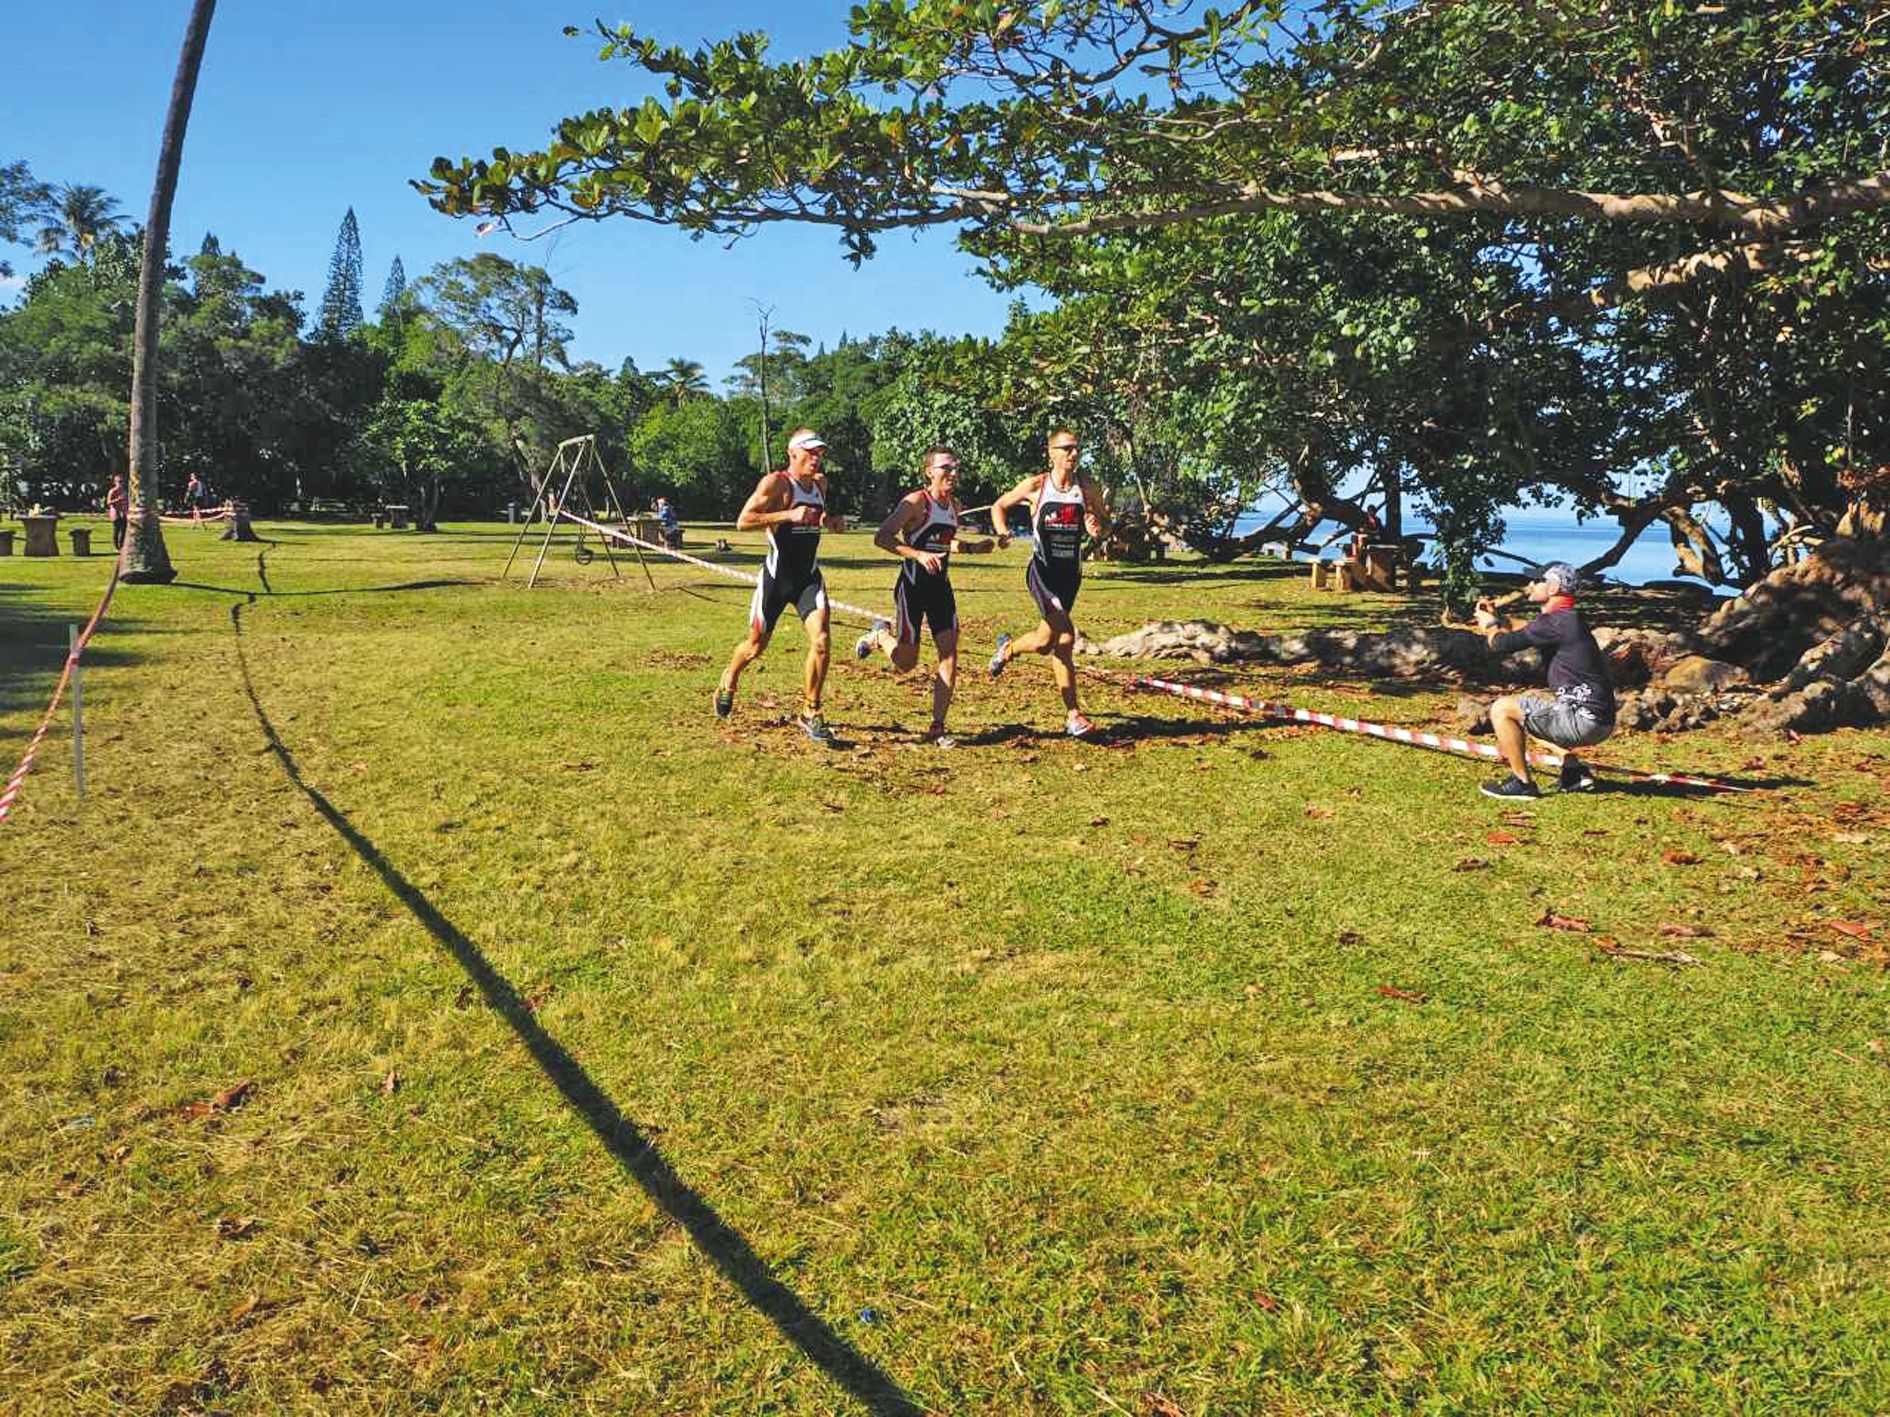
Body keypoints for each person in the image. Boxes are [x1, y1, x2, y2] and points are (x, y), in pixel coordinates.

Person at [852, 445, 997, 747]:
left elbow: (946, 541)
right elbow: (882, 537)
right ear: (929, 471)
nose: (953, 474)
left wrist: (972, 548)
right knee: (907, 663)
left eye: (956, 468)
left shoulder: (954, 505)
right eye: (946, 468)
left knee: (949, 652)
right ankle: (880, 636)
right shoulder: (915, 503)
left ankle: (937, 727)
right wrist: (917, 554)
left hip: (940, 588)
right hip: (912, 589)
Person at [715, 429, 848, 744]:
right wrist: (788, 513)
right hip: (777, 578)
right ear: (793, 453)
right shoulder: (775, 483)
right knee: (755, 647)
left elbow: (818, 515)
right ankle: (729, 679)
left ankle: (811, 711)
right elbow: (743, 521)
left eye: (820, 453)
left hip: (808, 579)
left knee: (822, 641)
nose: (817, 458)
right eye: (811, 452)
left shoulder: (820, 484)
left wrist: (831, 522)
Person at [986, 429, 1112, 737]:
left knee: (1045, 643)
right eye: (1066, 448)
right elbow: (998, 506)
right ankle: (1073, 715)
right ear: (1051, 452)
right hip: (1042, 573)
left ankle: (1008, 649)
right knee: (1066, 637)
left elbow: (1105, 524)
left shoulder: (1087, 487)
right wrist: (1003, 532)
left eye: (1076, 448)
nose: (1073, 453)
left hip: (1070, 577)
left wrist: (1099, 530)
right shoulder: (1037, 486)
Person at [1473, 561, 1616, 799]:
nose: (1530, 585)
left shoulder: (1556, 623)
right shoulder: (1567, 619)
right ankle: (1573, 772)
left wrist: (1488, 624)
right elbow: (1526, 630)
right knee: (1533, 712)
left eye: (1536, 581)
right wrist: (1498, 617)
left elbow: (1499, 644)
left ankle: (1522, 784)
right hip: (1598, 719)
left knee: (1502, 709)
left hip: (1583, 721)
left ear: (1553, 587)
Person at [104, 474, 128, 551]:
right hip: (116, 513)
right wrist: (118, 499)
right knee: (117, 530)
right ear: (115, 482)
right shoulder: (112, 491)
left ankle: (122, 545)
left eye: (122, 482)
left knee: (124, 530)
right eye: (119, 482)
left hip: (124, 513)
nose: (121, 483)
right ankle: (116, 546)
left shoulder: (125, 491)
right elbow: (108, 502)